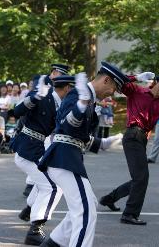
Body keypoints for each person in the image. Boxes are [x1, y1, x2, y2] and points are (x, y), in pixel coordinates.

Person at [37, 63, 128, 247]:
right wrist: (80, 106)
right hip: (64, 158)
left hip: (68, 158)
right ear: (106, 80)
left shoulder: (88, 97)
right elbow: (67, 123)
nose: (112, 93)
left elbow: (79, 136)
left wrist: (103, 143)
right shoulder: (80, 94)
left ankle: (52, 244)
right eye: (113, 88)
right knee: (86, 213)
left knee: (87, 205)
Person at [98, 71, 159, 226]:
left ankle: (109, 199)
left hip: (142, 139)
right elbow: (119, 81)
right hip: (132, 135)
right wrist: (137, 77)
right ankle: (129, 214)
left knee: (138, 178)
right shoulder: (137, 91)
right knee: (141, 178)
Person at [12, 75, 76, 245]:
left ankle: (29, 210)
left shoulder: (59, 103)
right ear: (68, 88)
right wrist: (34, 97)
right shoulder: (43, 95)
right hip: (27, 150)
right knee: (52, 187)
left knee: (49, 181)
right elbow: (17, 112)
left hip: (37, 149)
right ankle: (35, 229)